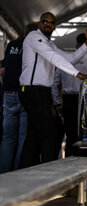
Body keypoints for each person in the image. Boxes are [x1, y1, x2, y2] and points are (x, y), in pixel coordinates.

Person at [18, 12, 87, 168]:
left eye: (52, 22)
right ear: (39, 23)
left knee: (33, 136)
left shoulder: (49, 43)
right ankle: (50, 172)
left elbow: (69, 58)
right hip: (33, 91)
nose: (48, 24)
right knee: (50, 132)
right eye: (45, 21)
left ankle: (25, 170)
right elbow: (54, 58)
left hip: (41, 92)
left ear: (55, 26)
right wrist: (78, 74)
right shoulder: (34, 37)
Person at [52, 33, 87, 157]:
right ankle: (84, 158)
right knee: (86, 133)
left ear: (76, 45)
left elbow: (54, 84)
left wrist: (57, 102)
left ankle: (68, 159)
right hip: (86, 100)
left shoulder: (65, 61)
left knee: (70, 134)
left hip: (68, 101)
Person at [0, 23, 38, 174]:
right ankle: (18, 172)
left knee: (8, 137)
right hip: (24, 93)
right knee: (23, 136)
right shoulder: (32, 47)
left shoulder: (11, 45)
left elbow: (2, 71)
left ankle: (3, 173)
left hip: (8, 94)